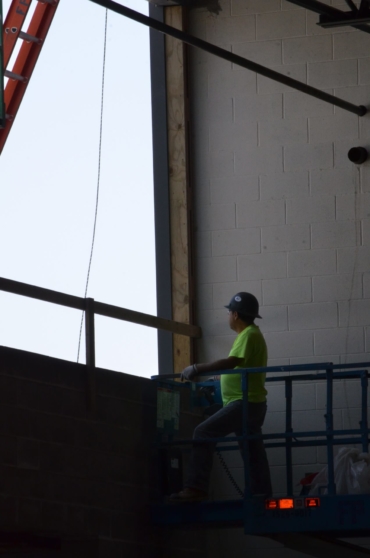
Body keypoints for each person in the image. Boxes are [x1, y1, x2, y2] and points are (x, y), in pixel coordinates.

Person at [170, 292, 272, 502]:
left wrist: (197, 368)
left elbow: (231, 361)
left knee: (204, 431)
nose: (228, 316)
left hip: (244, 402)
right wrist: (225, 377)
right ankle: (261, 493)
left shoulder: (249, 335)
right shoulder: (250, 335)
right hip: (249, 403)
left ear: (235, 314)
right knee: (251, 449)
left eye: (229, 312)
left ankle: (196, 489)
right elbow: (239, 364)